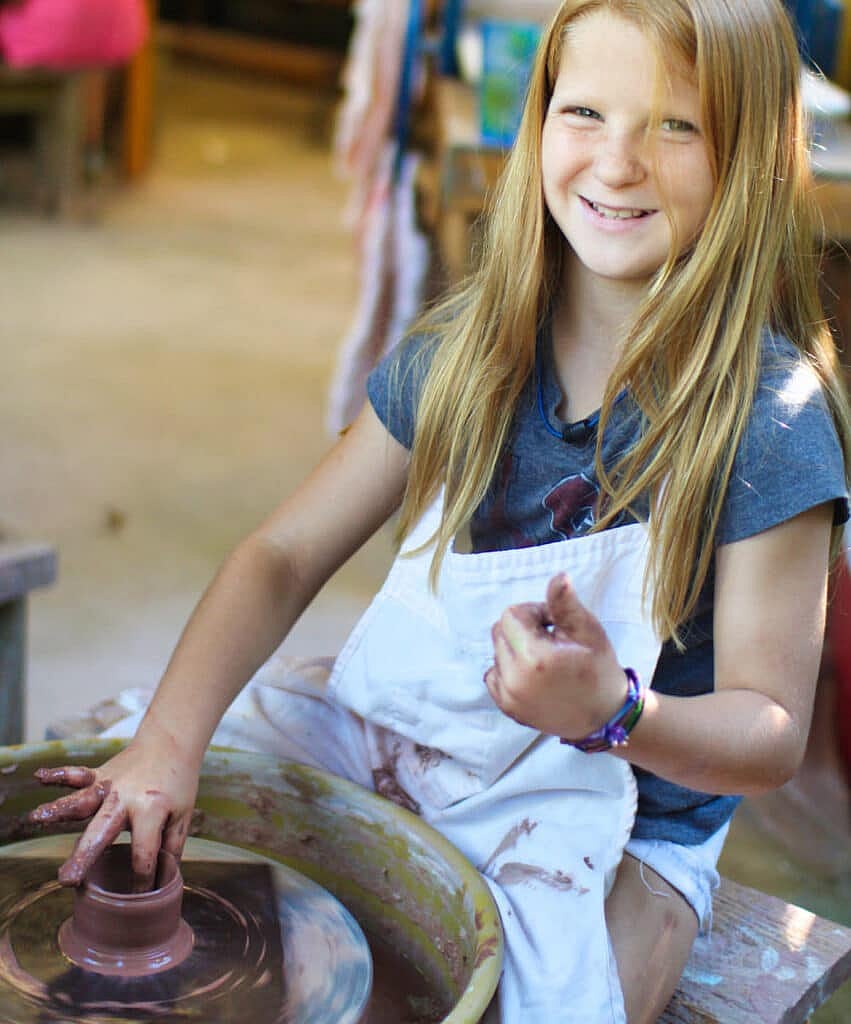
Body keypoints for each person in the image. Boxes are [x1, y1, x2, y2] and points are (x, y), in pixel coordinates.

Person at [29, 0, 851, 1020]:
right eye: (584, 112)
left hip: (623, 811)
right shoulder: (469, 350)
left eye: (674, 125)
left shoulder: (767, 422)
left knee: (539, 1005)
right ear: (537, 120)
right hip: (424, 728)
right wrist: (167, 740)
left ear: (752, 158)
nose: (617, 162)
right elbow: (284, 555)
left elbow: (769, 733)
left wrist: (610, 712)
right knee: (124, 778)